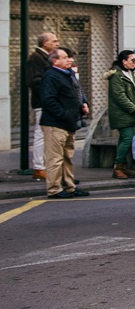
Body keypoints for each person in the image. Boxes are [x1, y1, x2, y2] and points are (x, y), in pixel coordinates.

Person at [39, 48, 90, 199]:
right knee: (55, 158)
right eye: (65, 58)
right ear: (55, 61)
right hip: (55, 123)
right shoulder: (51, 76)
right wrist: (65, 115)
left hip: (69, 122)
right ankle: (54, 188)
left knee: (67, 156)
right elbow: (49, 100)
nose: (70, 60)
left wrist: (84, 103)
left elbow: (78, 91)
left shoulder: (69, 74)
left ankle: (69, 186)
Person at [104, 50, 135, 179]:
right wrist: (134, 109)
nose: (134, 63)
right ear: (124, 61)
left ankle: (123, 166)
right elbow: (120, 96)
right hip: (122, 114)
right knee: (127, 138)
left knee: (124, 139)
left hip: (130, 113)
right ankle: (118, 166)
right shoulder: (117, 75)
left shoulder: (128, 73)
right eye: (132, 60)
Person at [26, 32, 60, 180]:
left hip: (47, 101)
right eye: (54, 41)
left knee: (47, 135)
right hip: (43, 102)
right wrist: (50, 93)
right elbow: (35, 81)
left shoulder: (44, 57)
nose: (57, 43)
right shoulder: (36, 58)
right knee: (41, 134)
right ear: (44, 43)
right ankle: (39, 167)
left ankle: (44, 165)